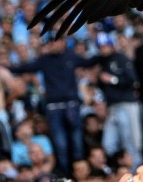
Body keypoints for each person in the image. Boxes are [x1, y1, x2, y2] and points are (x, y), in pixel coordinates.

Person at [11, 36, 96, 176]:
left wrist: (107, 55)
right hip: (54, 107)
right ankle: (66, 176)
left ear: (63, 42)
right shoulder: (45, 60)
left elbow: (88, 62)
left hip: (71, 105)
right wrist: (7, 67)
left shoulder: (71, 56)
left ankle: (81, 175)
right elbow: (26, 67)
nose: (53, 44)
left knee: (77, 144)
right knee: (60, 145)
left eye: (56, 41)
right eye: (51, 42)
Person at [90, 32, 142, 167]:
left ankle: (136, 172)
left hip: (127, 104)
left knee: (131, 142)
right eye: (100, 47)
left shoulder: (121, 58)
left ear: (111, 45)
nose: (103, 49)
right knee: (108, 144)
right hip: (112, 107)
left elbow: (134, 80)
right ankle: (118, 170)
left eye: (106, 46)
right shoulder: (101, 62)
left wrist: (113, 79)